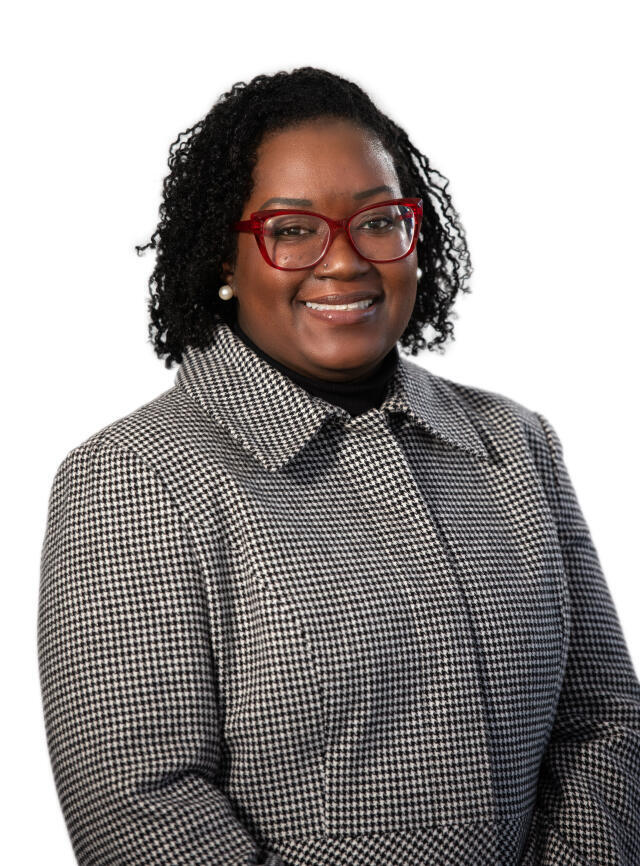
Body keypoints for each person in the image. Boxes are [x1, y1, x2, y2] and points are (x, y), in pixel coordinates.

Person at [37, 67, 640, 866]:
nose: (346, 262)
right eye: (291, 229)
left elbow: (605, 720)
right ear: (225, 255)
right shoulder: (133, 478)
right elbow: (143, 809)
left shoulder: (514, 442)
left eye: (378, 221)